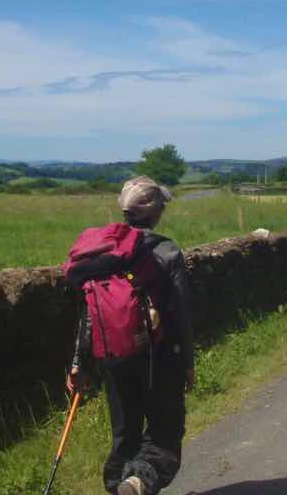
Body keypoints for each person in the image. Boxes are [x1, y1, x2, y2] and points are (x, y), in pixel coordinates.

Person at [65, 176, 195, 495]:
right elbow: (179, 313)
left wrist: (78, 362)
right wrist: (187, 362)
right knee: (166, 427)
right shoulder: (166, 251)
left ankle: (118, 485)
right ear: (156, 211)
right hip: (159, 354)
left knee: (125, 432)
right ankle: (140, 481)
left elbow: (87, 311)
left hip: (113, 354)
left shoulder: (101, 251)